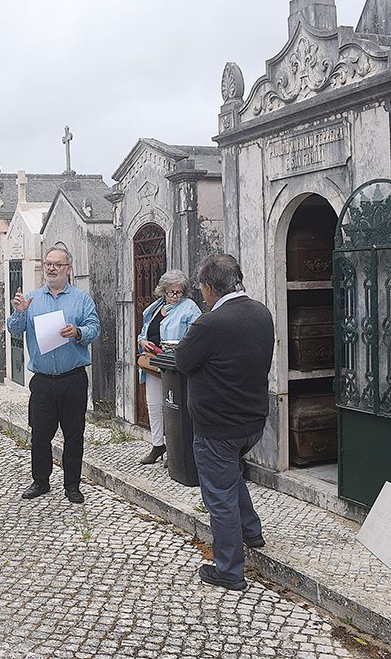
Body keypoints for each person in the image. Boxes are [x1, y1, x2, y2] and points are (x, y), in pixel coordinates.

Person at [174, 253, 274, 591]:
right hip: (252, 420)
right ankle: (252, 532)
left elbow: (183, 361)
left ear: (208, 287)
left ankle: (229, 569)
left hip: (217, 425)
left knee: (219, 495)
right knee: (229, 474)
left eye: (201, 288)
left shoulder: (211, 323)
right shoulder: (261, 312)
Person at [6, 245, 100, 504]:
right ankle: (41, 481)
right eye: (48, 263)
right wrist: (19, 311)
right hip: (43, 381)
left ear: (68, 269)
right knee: (40, 434)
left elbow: (94, 328)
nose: (51, 268)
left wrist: (78, 332)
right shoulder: (32, 299)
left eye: (58, 264)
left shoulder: (81, 299)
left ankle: (72, 485)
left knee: (74, 435)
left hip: (73, 379)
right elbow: (14, 330)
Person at [136, 269, 202, 464]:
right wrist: (142, 342)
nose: (175, 296)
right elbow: (144, 332)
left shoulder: (190, 308)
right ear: (163, 290)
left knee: (175, 407)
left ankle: (176, 450)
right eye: (171, 292)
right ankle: (158, 445)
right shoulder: (156, 307)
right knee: (154, 405)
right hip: (153, 363)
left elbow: (196, 336)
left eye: (179, 292)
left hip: (175, 365)